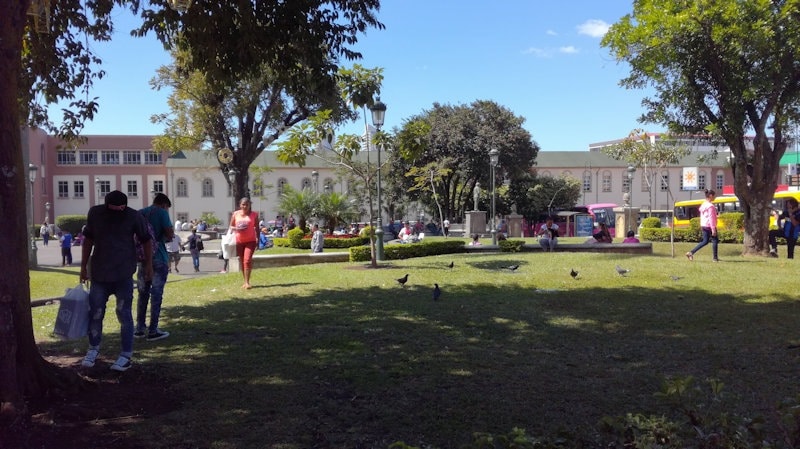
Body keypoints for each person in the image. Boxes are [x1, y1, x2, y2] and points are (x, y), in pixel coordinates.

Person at [79, 190, 153, 372]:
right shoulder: (95, 213)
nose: (115, 214)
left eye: (119, 210)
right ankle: (93, 348)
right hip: (100, 274)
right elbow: (88, 240)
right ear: (106, 205)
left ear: (124, 207)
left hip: (123, 273)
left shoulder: (134, 216)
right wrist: (83, 267)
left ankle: (126, 355)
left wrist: (149, 265)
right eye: (111, 210)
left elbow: (146, 240)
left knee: (124, 313)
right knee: (95, 313)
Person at [135, 193, 174, 341]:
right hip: (159, 257)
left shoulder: (140, 213)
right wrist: (167, 235)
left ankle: (139, 328)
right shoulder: (162, 213)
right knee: (156, 294)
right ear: (164, 205)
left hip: (143, 258)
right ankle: (153, 330)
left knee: (142, 293)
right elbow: (169, 234)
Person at [230, 197, 259, 289]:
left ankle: (247, 282)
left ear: (250, 205)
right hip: (239, 241)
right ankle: (245, 281)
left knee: (247, 260)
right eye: (243, 204)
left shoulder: (254, 214)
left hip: (251, 241)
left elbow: (257, 227)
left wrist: (258, 239)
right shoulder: (235, 214)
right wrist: (237, 228)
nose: (245, 206)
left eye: (247, 204)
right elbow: (231, 226)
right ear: (240, 205)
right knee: (243, 261)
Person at [686, 189, 719, 262]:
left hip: (704, 225)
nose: (715, 197)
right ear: (710, 196)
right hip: (710, 225)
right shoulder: (710, 206)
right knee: (715, 240)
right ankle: (715, 258)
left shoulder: (703, 204)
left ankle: (691, 253)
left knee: (705, 241)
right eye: (714, 196)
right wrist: (713, 228)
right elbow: (711, 218)